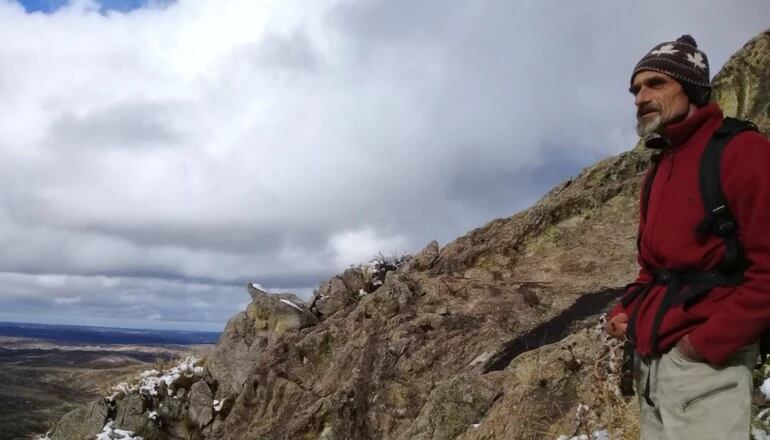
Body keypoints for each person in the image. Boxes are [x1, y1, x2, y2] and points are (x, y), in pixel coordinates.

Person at [605, 34, 770, 439]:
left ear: (693, 89)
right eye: (636, 88)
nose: (640, 96)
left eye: (656, 84)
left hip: (706, 368)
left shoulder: (741, 151)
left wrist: (704, 345)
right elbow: (652, 270)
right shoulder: (657, 169)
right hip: (652, 366)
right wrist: (624, 310)